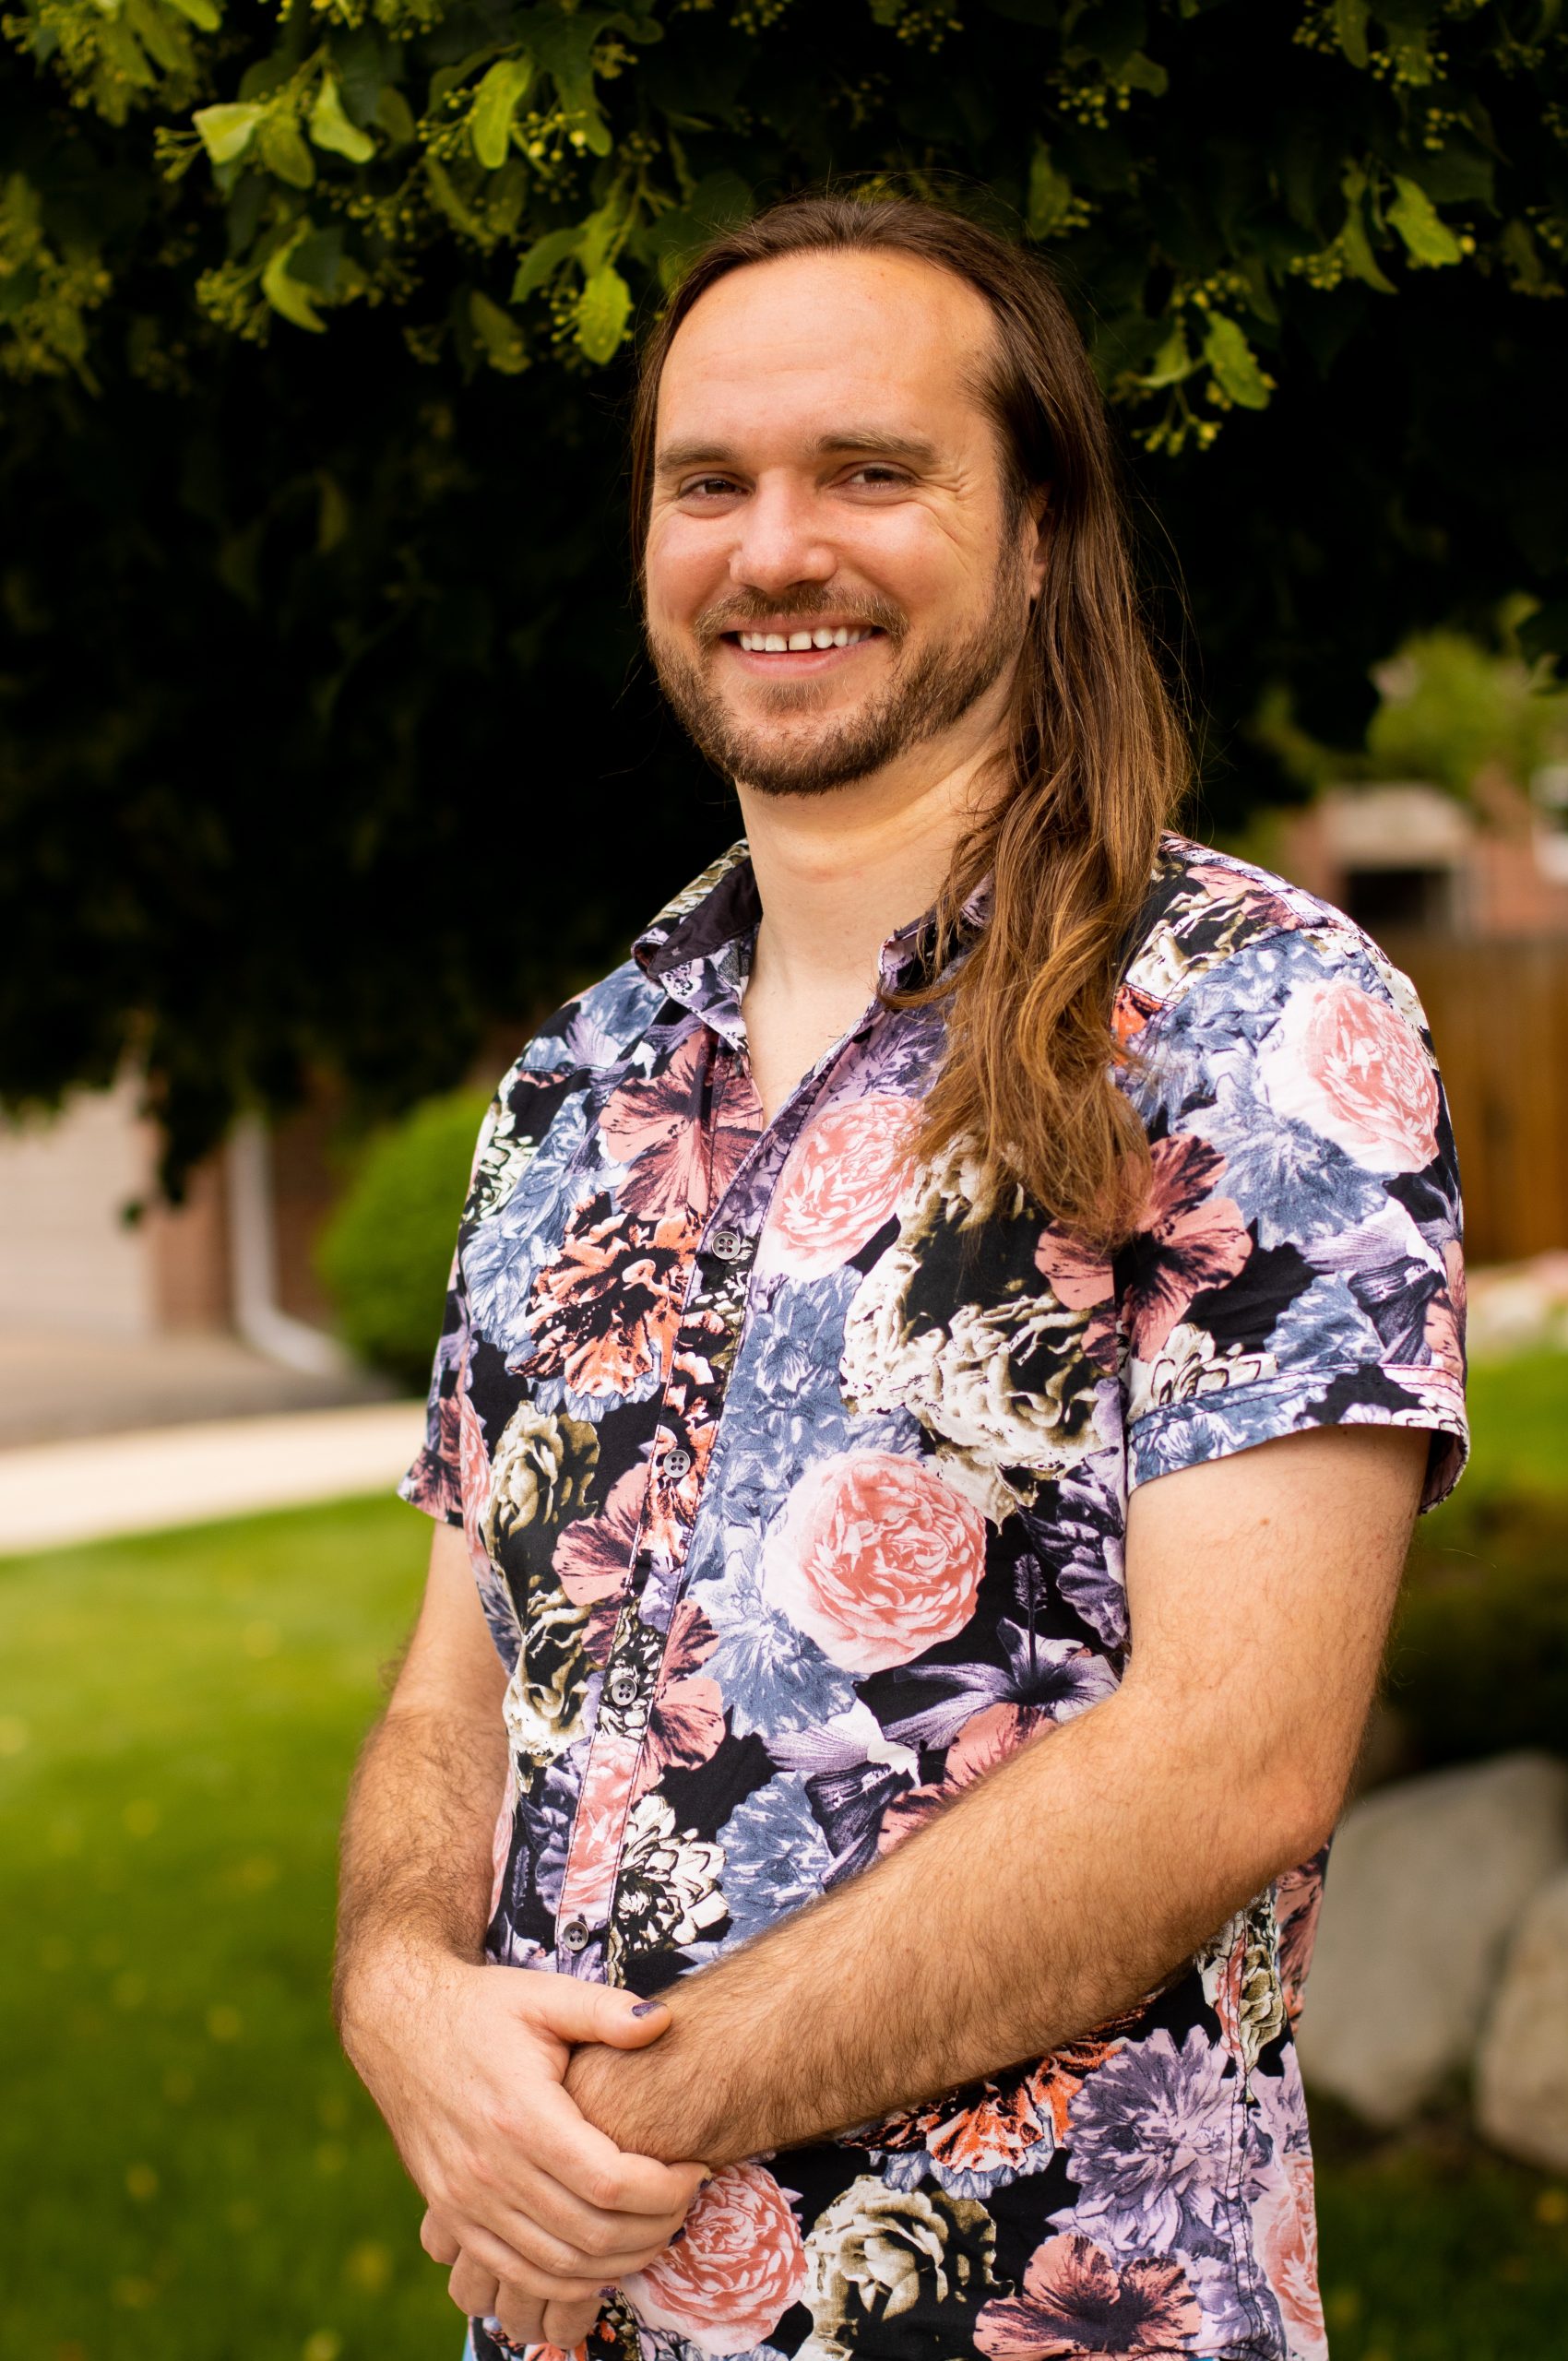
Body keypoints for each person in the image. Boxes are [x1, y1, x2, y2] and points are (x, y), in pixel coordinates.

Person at [334, 195, 1468, 2361]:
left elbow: (1231, 1756)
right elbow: (449, 1695)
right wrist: (397, 1991)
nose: (774, 549)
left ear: (1037, 534)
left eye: (868, 471)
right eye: (707, 484)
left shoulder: (1246, 1018)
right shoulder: (573, 1081)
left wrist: (594, 2132)